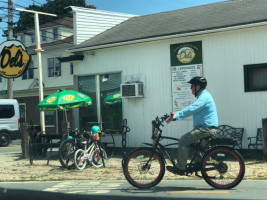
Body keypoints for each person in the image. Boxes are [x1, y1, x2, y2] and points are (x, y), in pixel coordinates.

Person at [165, 76, 218, 175]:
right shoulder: (203, 96)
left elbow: (192, 109)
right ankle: (198, 164)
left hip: (205, 129)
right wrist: (176, 114)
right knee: (193, 145)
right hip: (205, 128)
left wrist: (177, 116)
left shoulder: (204, 97)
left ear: (198, 87)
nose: (190, 88)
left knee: (183, 140)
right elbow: (192, 109)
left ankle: (181, 167)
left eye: (192, 86)